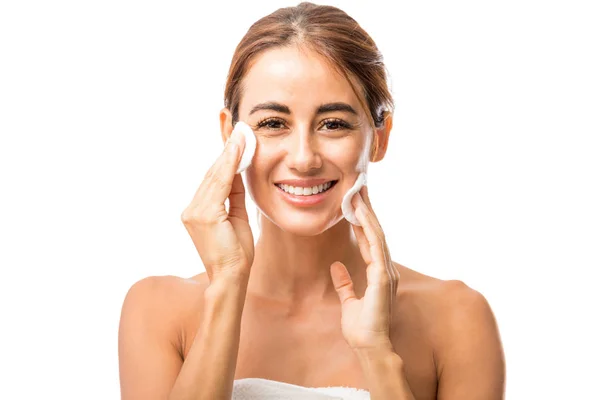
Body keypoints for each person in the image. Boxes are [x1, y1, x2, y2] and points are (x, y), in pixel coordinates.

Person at [118, 2, 505, 399]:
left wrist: (377, 353)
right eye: (273, 123)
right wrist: (227, 287)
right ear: (229, 135)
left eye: (333, 124)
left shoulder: (457, 318)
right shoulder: (158, 311)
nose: (304, 158)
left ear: (380, 137)